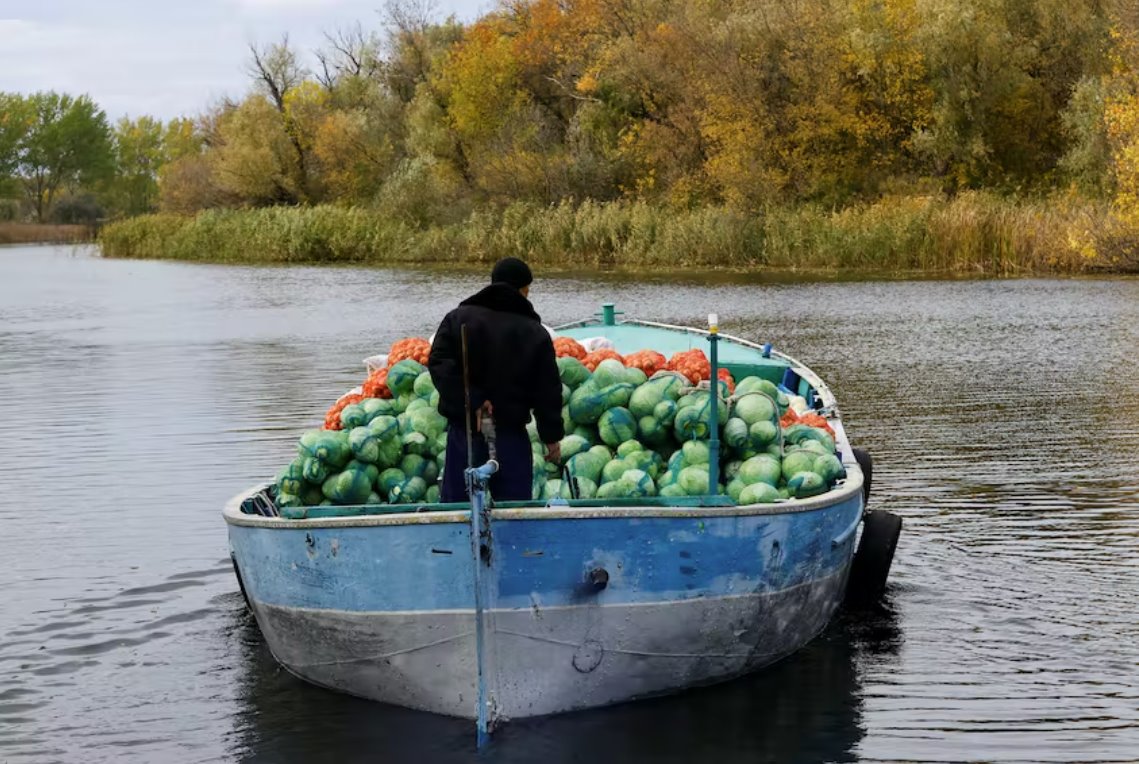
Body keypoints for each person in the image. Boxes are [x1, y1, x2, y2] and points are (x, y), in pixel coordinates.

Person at [428, 257, 564, 502]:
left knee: (458, 509)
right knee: (513, 509)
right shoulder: (534, 333)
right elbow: (547, 390)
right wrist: (551, 436)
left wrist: (473, 399)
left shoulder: (458, 319)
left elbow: (439, 365)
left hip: (465, 432)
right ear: (524, 290)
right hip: (510, 435)